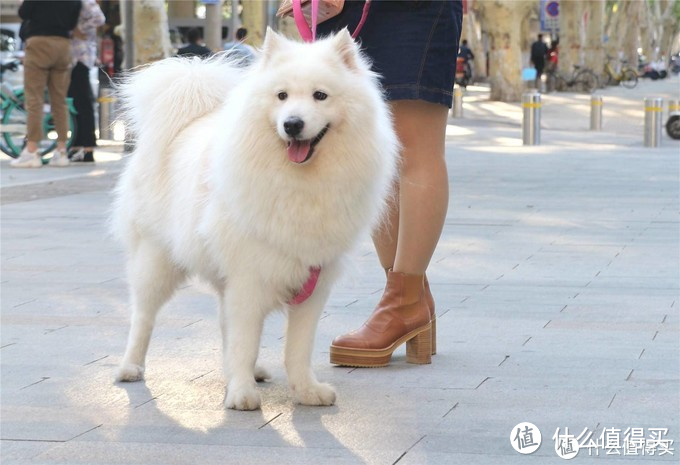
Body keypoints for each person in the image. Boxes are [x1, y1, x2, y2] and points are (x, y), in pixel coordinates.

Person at [318, 1, 463, 367]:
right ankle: (410, 298)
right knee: (375, 150)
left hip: (412, 10)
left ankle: (404, 301)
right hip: (341, 11)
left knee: (413, 146)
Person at [12, 0, 82, 168]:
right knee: (60, 101)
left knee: (34, 99)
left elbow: (24, 13)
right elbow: (73, 23)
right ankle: (62, 151)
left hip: (39, 43)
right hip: (63, 46)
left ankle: (32, 151)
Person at [68, 0, 106, 163]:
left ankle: (88, 147)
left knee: (83, 102)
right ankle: (77, 145)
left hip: (80, 57)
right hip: (74, 57)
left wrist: (78, 29)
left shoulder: (85, 1)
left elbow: (100, 18)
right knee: (75, 103)